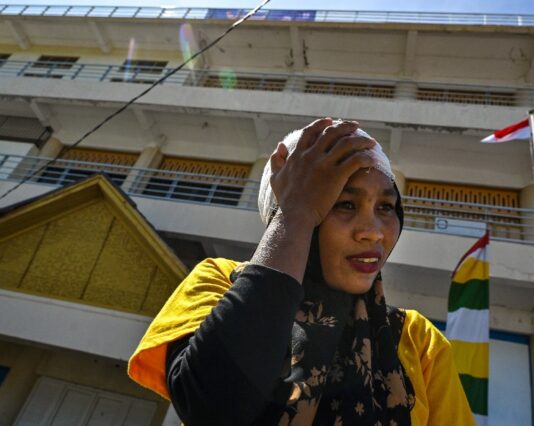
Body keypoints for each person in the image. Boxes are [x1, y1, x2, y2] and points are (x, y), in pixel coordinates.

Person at [128, 118, 474, 425]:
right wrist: (298, 212)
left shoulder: (418, 340)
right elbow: (212, 407)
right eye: (344, 204)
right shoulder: (218, 280)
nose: (373, 231)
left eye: (386, 207)